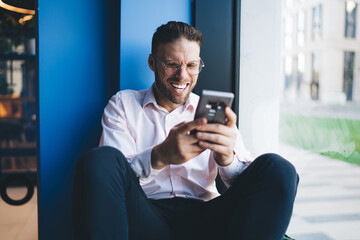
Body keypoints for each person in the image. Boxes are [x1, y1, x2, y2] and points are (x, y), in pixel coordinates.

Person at [72, 21, 299, 240]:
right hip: (146, 214)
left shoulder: (213, 110)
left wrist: (227, 159)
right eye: (171, 64)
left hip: (208, 216)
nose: (182, 75)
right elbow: (112, 179)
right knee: (99, 159)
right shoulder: (123, 104)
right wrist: (159, 156)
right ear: (152, 62)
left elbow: (245, 186)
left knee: (279, 169)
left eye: (191, 65)